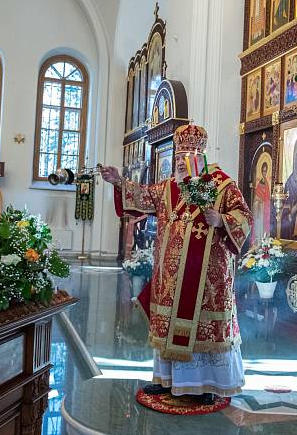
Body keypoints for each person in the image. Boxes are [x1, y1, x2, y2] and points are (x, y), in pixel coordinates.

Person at [99, 124, 253, 405]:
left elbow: (245, 217)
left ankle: (207, 383)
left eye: (189, 153)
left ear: (201, 155)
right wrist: (118, 182)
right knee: (169, 326)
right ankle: (167, 380)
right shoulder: (168, 186)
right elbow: (141, 196)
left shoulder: (221, 185)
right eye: (179, 153)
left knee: (201, 331)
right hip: (169, 278)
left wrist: (221, 220)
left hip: (207, 278)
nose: (182, 160)